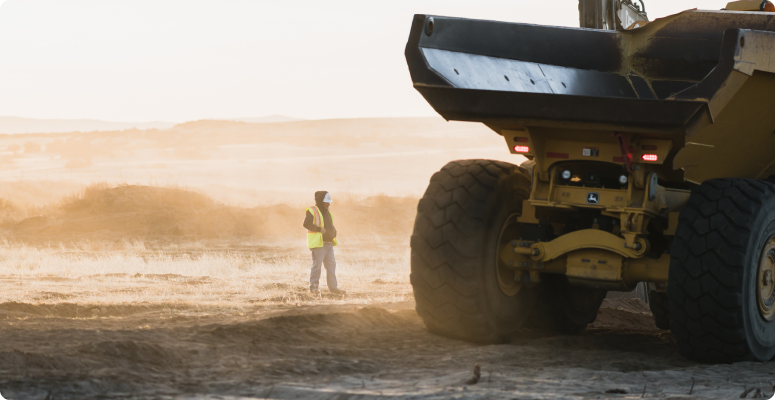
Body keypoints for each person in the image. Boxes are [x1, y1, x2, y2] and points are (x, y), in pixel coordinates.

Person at [303, 191, 345, 295]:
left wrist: (334, 232)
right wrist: (318, 229)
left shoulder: (328, 212)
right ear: (320, 201)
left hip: (329, 244)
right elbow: (306, 223)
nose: (328, 204)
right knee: (317, 266)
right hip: (319, 244)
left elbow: (330, 225)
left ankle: (333, 288)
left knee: (331, 266)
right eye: (326, 202)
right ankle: (313, 288)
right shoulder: (312, 210)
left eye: (329, 202)